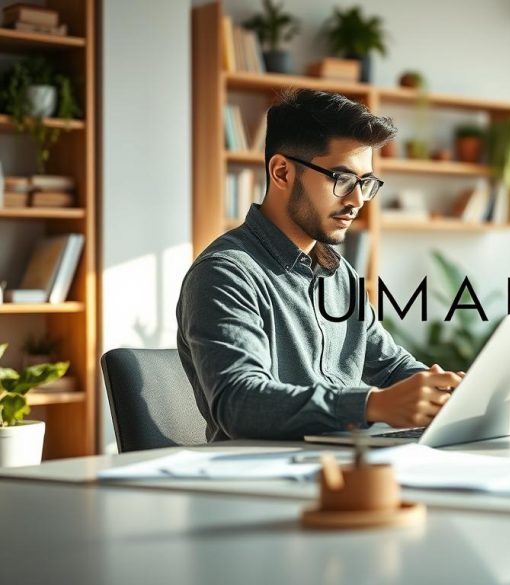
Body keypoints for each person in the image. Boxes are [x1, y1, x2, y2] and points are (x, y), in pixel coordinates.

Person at [176, 89, 462, 441]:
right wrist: (370, 406)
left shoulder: (341, 276)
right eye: (342, 180)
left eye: (366, 183)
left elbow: (390, 367)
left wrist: (449, 393)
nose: (358, 200)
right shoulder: (225, 274)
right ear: (282, 172)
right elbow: (239, 403)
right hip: (265, 480)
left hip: (347, 464)